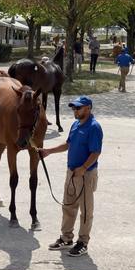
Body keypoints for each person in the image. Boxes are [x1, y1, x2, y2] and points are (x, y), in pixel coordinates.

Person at [41, 96, 102, 257]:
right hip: (72, 172)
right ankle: (66, 238)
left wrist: (83, 168)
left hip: (85, 174)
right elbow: (68, 144)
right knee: (68, 206)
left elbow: (95, 152)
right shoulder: (75, 124)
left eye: (78, 108)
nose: (75, 110)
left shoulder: (94, 127)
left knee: (86, 210)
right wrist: (49, 151)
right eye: (74, 108)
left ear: (88, 108)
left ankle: (83, 242)